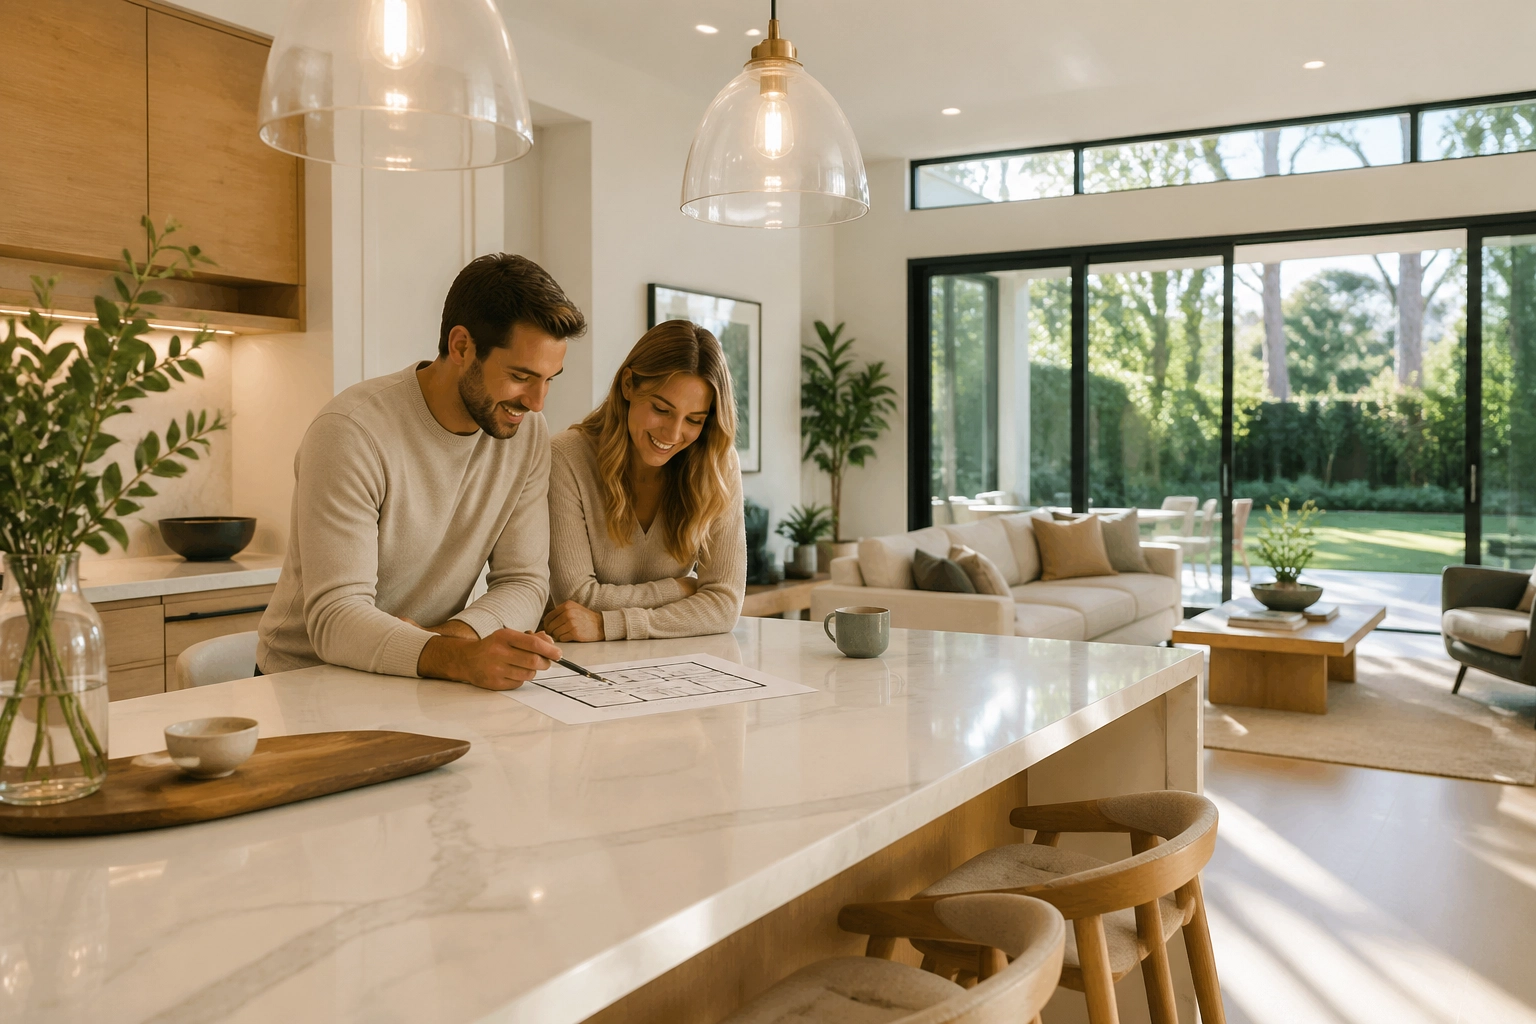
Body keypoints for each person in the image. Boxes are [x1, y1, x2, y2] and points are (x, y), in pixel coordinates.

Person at [257, 254, 586, 689]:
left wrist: (450, 641)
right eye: (520, 376)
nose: (537, 402)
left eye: (549, 379)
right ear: (461, 346)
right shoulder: (351, 432)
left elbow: (524, 581)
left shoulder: (526, 433)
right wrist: (454, 656)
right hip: (306, 683)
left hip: (423, 673)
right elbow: (336, 617)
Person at [542, 320, 746, 641]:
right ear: (628, 385)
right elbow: (577, 598)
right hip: (575, 655)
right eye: (662, 409)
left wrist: (607, 624)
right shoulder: (566, 458)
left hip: (669, 658)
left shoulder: (717, 464)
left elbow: (724, 604)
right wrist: (681, 588)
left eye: (694, 420)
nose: (673, 434)